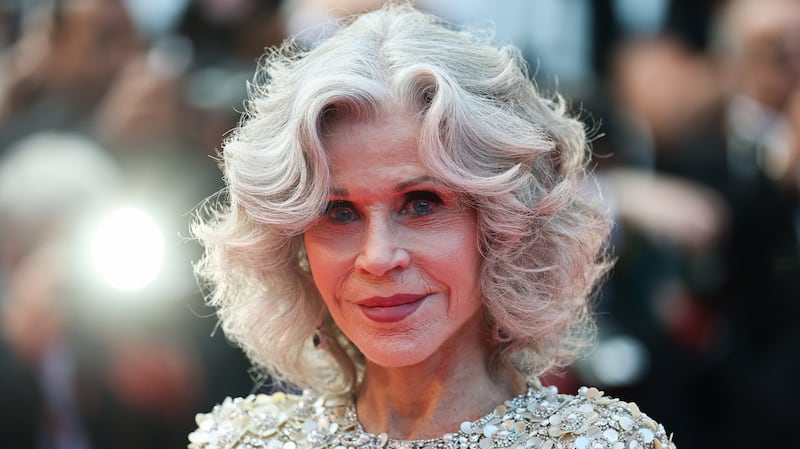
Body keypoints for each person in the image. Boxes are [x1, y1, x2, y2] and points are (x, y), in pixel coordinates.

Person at [187, 3, 676, 449]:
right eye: (338, 212)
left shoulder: (606, 443)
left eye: (421, 204)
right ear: (291, 241)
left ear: (505, 223)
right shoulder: (238, 441)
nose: (378, 257)